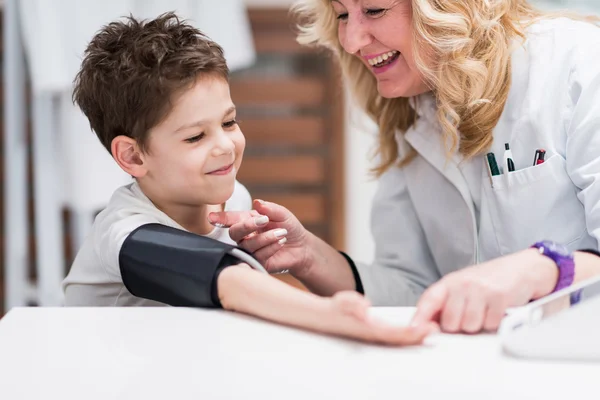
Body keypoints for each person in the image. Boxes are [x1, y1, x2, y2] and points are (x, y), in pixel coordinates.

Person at [209, 0, 600, 334]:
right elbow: (414, 289)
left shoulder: (577, 65)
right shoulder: (411, 112)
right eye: (342, 14)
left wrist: (542, 268)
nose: (350, 40)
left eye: (374, 9)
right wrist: (310, 257)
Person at [61, 12, 435, 346]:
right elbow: (228, 281)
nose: (225, 145)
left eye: (229, 122)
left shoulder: (233, 200)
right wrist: (328, 316)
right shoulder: (122, 232)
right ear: (133, 155)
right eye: (195, 137)